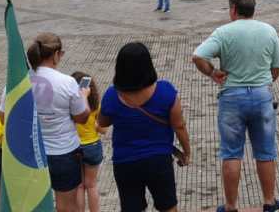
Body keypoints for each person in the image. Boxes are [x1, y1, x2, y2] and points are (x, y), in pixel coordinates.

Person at [192, 0, 279, 212]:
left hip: (232, 97)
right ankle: (270, 202)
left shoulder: (223, 32)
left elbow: (197, 56)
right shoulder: (268, 30)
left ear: (233, 9)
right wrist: (265, 81)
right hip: (262, 96)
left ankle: (231, 206)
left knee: (231, 152)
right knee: (265, 152)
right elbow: (278, 66)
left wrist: (212, 72)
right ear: (253, 9)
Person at [99, 43, 191, 212]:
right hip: (159, 160)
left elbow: (103, 123)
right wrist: (186, 152)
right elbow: (179, 126)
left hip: (125, 162)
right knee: (168, 207)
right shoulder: (165, 91)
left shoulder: (112, 95)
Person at [14, 33, 91, 211]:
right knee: (67, 206)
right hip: (63, 153)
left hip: (31, 154)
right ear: (56, 55)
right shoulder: (67, 82)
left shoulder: (20, 81)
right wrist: (84, 97)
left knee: (35, 204)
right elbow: (82, 117)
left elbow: (5, 117)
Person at [72, 72, 105, 212]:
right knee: (91, 185)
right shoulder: (96, 105)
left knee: (79, 186)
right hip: (93, 146)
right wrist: (94, 126)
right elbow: (103, 130)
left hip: (75, 148)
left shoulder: (72, 107)